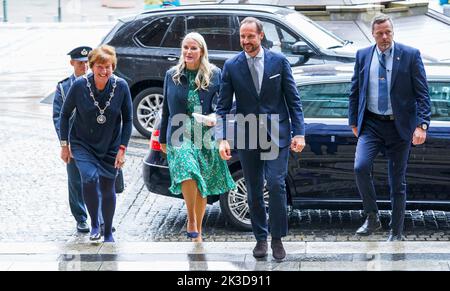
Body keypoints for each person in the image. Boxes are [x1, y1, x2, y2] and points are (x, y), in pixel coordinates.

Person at [215, 17, 306, 260]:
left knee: (276, 184)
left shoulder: (279, 61)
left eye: (250, 36)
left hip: (278, 133)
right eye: (242, 37)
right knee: (254, 191)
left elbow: (293, 100)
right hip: (248, 134)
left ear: (261, 36)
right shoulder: (232, 65)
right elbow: (222, 107)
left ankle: (277, 238)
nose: (246, 41)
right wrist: (222, 138)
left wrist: (299, 133)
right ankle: (260, 238)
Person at [349, 14, 431, 241]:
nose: (384, 37)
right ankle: (372, 217)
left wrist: (422, 125)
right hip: (372, 124)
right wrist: (353, 121)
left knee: (397, 180)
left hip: (400, 126)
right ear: (372, 34)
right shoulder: (363, 55)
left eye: (388, 32)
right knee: (360, 167)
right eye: (379, 33)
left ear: (393, 32)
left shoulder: (410, 55)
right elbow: (355, 90)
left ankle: (396, 232)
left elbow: (423, 94)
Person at [159, 32, 236, 243]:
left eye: (193, 48)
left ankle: (198, 233)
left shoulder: (215, 74)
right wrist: (160, 137)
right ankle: (191, 219)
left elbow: (223, 107)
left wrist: (215, 118)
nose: (188, 52)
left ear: (202, 51)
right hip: (178, 134)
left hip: (205, 136)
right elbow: (165, 108)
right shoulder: (171, 75)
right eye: (185, 47)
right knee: (189, 169)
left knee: (202, 183)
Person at [59, 45, 133, 242]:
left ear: (113, 67)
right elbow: (64, 115)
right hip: (82, 143)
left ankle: (107, 231)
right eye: (99, 66)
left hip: (110, 145)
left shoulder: (121, 86)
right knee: (90, 179)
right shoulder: (79, 86)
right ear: (91, 67)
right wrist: (65, 145)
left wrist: (122, 149)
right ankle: (94, 224)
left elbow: (128, 120)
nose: (104, 71)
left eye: (108, 66)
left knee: (108, 187)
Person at [53, 46, 92, 233]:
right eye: (80, 63)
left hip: (95, 142)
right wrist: (65, 144)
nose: (84, 66)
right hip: (74, 142)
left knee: (98, 180)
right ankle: (81, 218)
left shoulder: (99, 82)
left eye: (86, 63)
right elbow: (58, 116)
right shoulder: (63, 87)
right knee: (76, 182)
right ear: (72, 63)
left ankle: (100, 217)